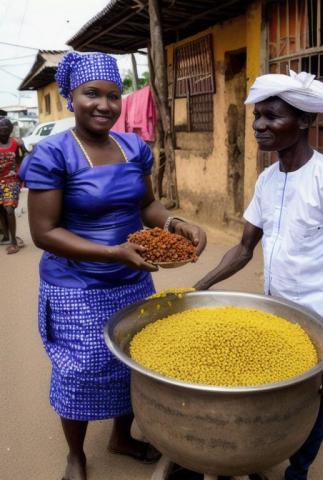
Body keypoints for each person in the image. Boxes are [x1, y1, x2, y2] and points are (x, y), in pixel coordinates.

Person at [19, 51, 206, 480]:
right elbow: (44, 233)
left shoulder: (133, 147)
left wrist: (177, 224)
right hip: (77, 284)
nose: (104, 104)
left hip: (132, 278)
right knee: (81, 370)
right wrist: (112, 252)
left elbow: (147, 204)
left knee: (130, 362)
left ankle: (120, 438)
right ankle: (75, 455)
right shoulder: (53, 155)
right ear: (70, 98)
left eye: (113, 95)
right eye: (91, 94)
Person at [194, 70, 323, 480]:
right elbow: (244, 248)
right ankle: (257, 464)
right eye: (257, 118)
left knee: (310, 413)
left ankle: (297, 472)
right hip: (274, 322)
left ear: (303, 121)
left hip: (321, 327)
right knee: (268, 407)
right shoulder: (267, 180)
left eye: (271, 117)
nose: (259, 127)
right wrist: (199, 287)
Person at [0, 117, 25, 253]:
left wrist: (20, 173)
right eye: (0, 127)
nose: (3, 129)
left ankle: (14, 242)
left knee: (9, 209)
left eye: (6, 127)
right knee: (1, 211)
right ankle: (6, 236)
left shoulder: (17, 143)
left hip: (11, 180)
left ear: (10, 129)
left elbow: (23, 158)